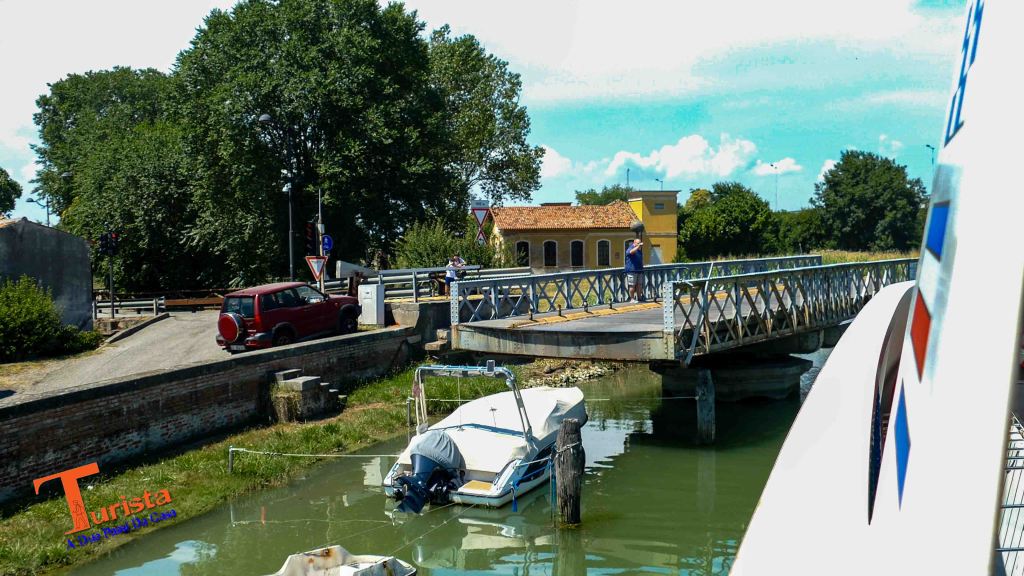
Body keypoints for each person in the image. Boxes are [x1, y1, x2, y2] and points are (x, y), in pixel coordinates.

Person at [625, 238, 644, 303]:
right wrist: (638, 246)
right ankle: (632, 299)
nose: (639, 245)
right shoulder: (630, 248)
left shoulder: (639, 250)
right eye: (638, 243)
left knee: (639, 285)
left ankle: (639, 297)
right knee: (632, 285)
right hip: (632, 270)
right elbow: (631, 252)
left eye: (640, 243)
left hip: (639, 270)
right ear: (634, 243)